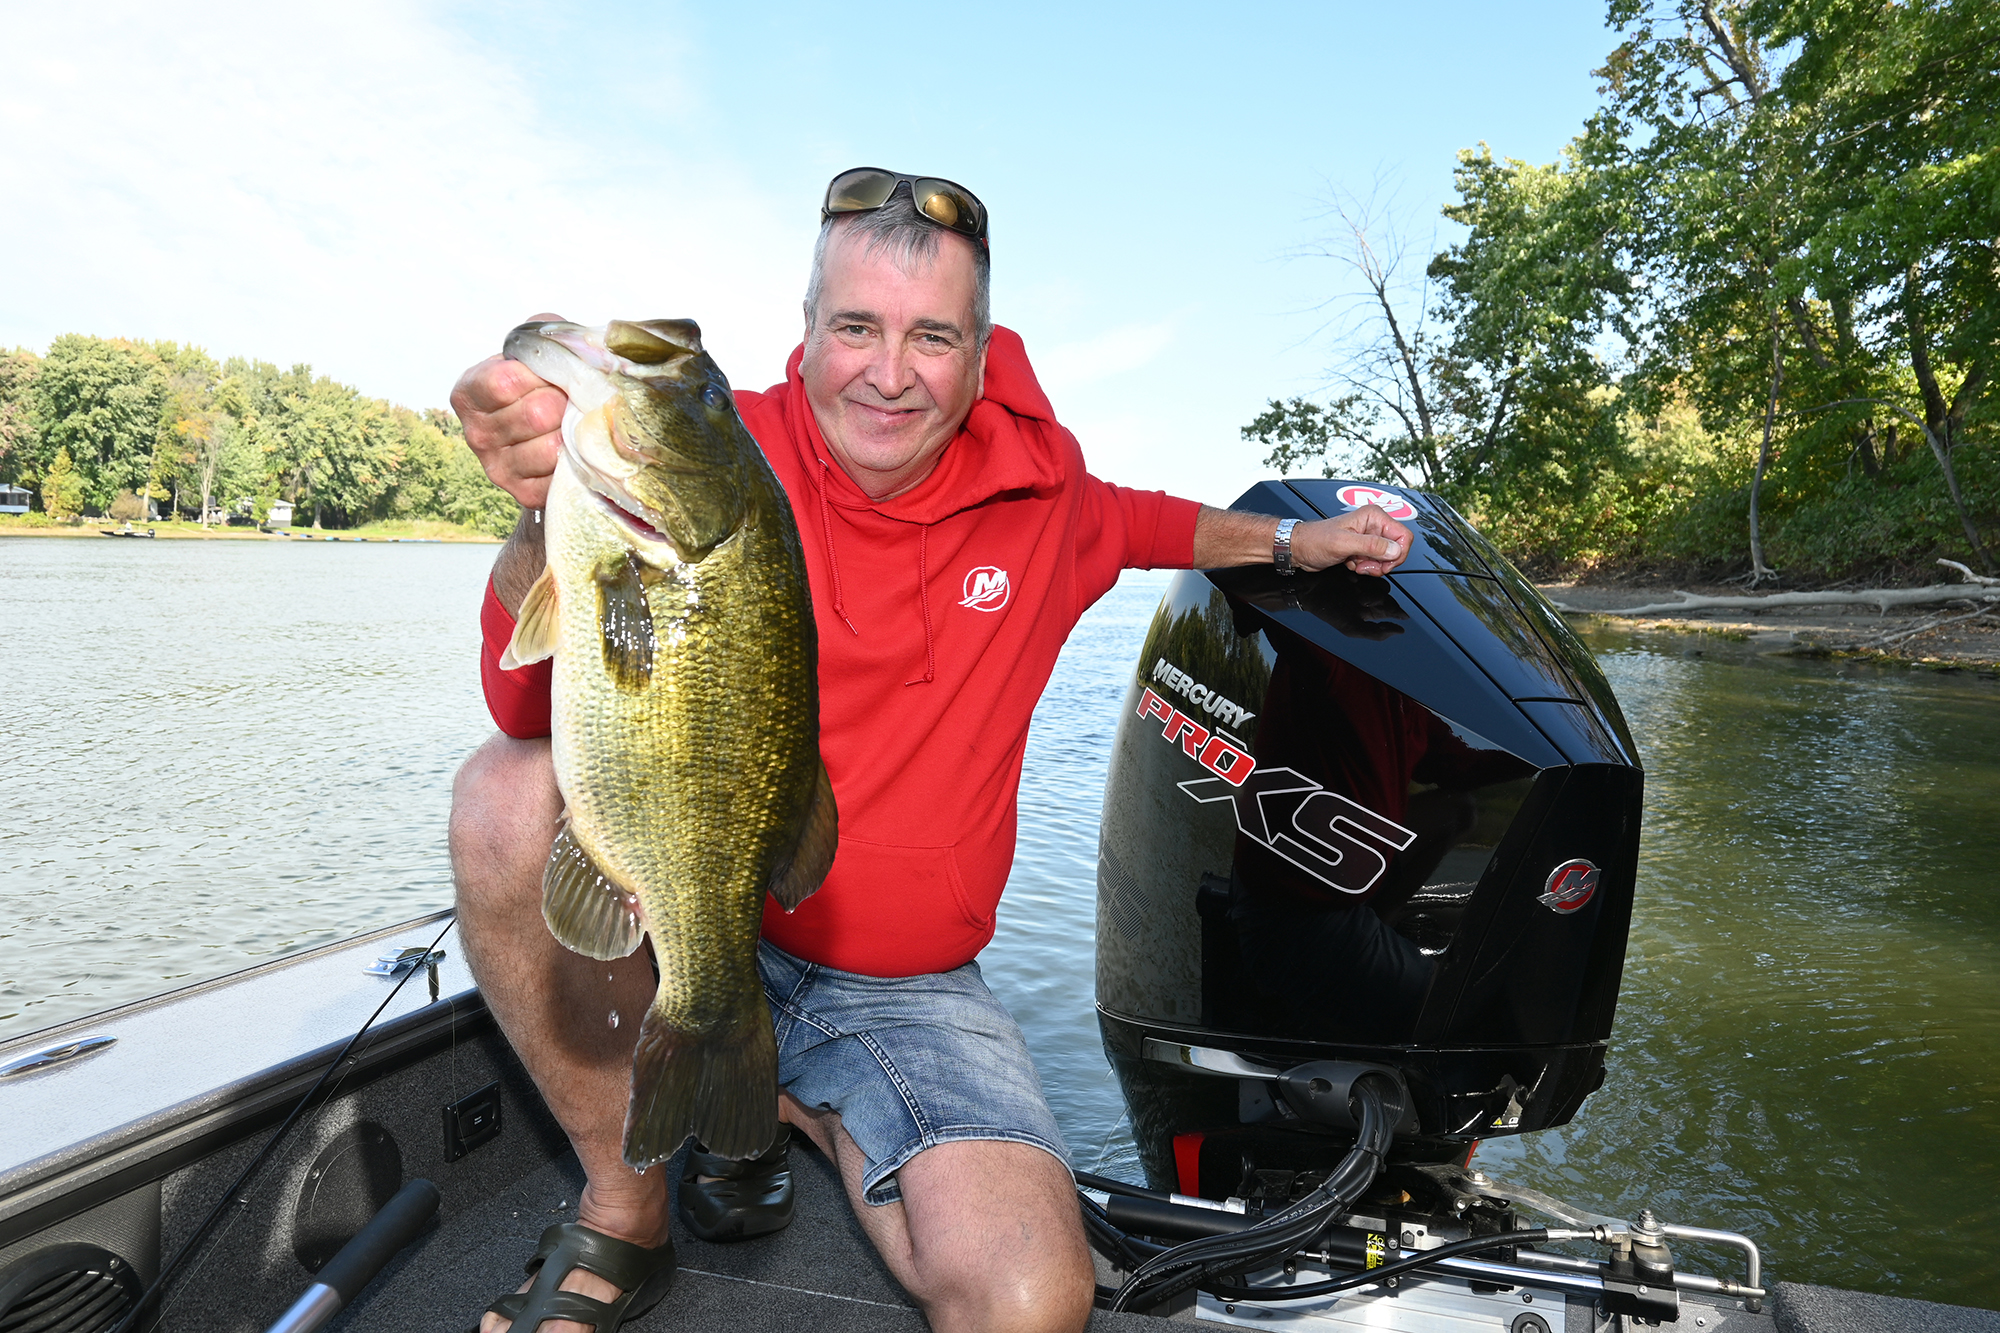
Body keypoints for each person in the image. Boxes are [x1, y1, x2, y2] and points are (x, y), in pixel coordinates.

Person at [448, 166, 1413, 1333]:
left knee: (1027, 1299)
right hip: (691, 910)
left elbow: (1168, 521)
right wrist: (539, 506)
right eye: (854, 325)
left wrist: (1294, 539)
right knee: (504, 797)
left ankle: (771, 1111)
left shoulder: (1045, 497)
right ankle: (627, 1204)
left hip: (897, 983)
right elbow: (522, 706)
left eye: (932, 337)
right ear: (805, 331)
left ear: (980, 350)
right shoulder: (710, 450)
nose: (889, 373)